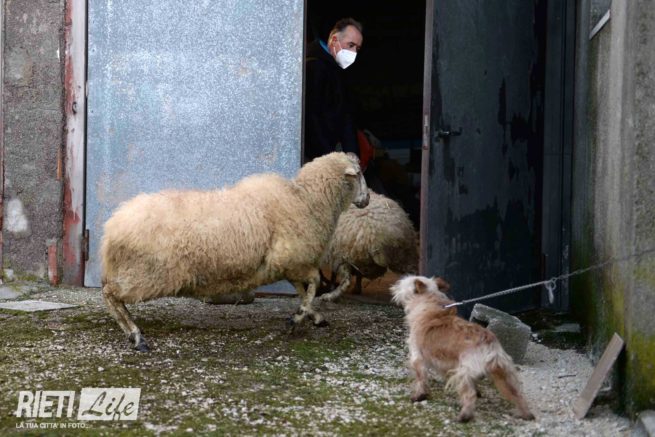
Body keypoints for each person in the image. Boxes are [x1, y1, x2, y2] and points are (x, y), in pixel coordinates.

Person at [304, 18, 363, 164]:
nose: (353, 53)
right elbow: (311, 118)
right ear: (334, 40)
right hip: (318, 160)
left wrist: (352, 154)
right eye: (350, 45)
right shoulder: (313, 66)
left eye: (357, 48)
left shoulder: (334, 66)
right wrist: (329, 158)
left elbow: (344, 114)